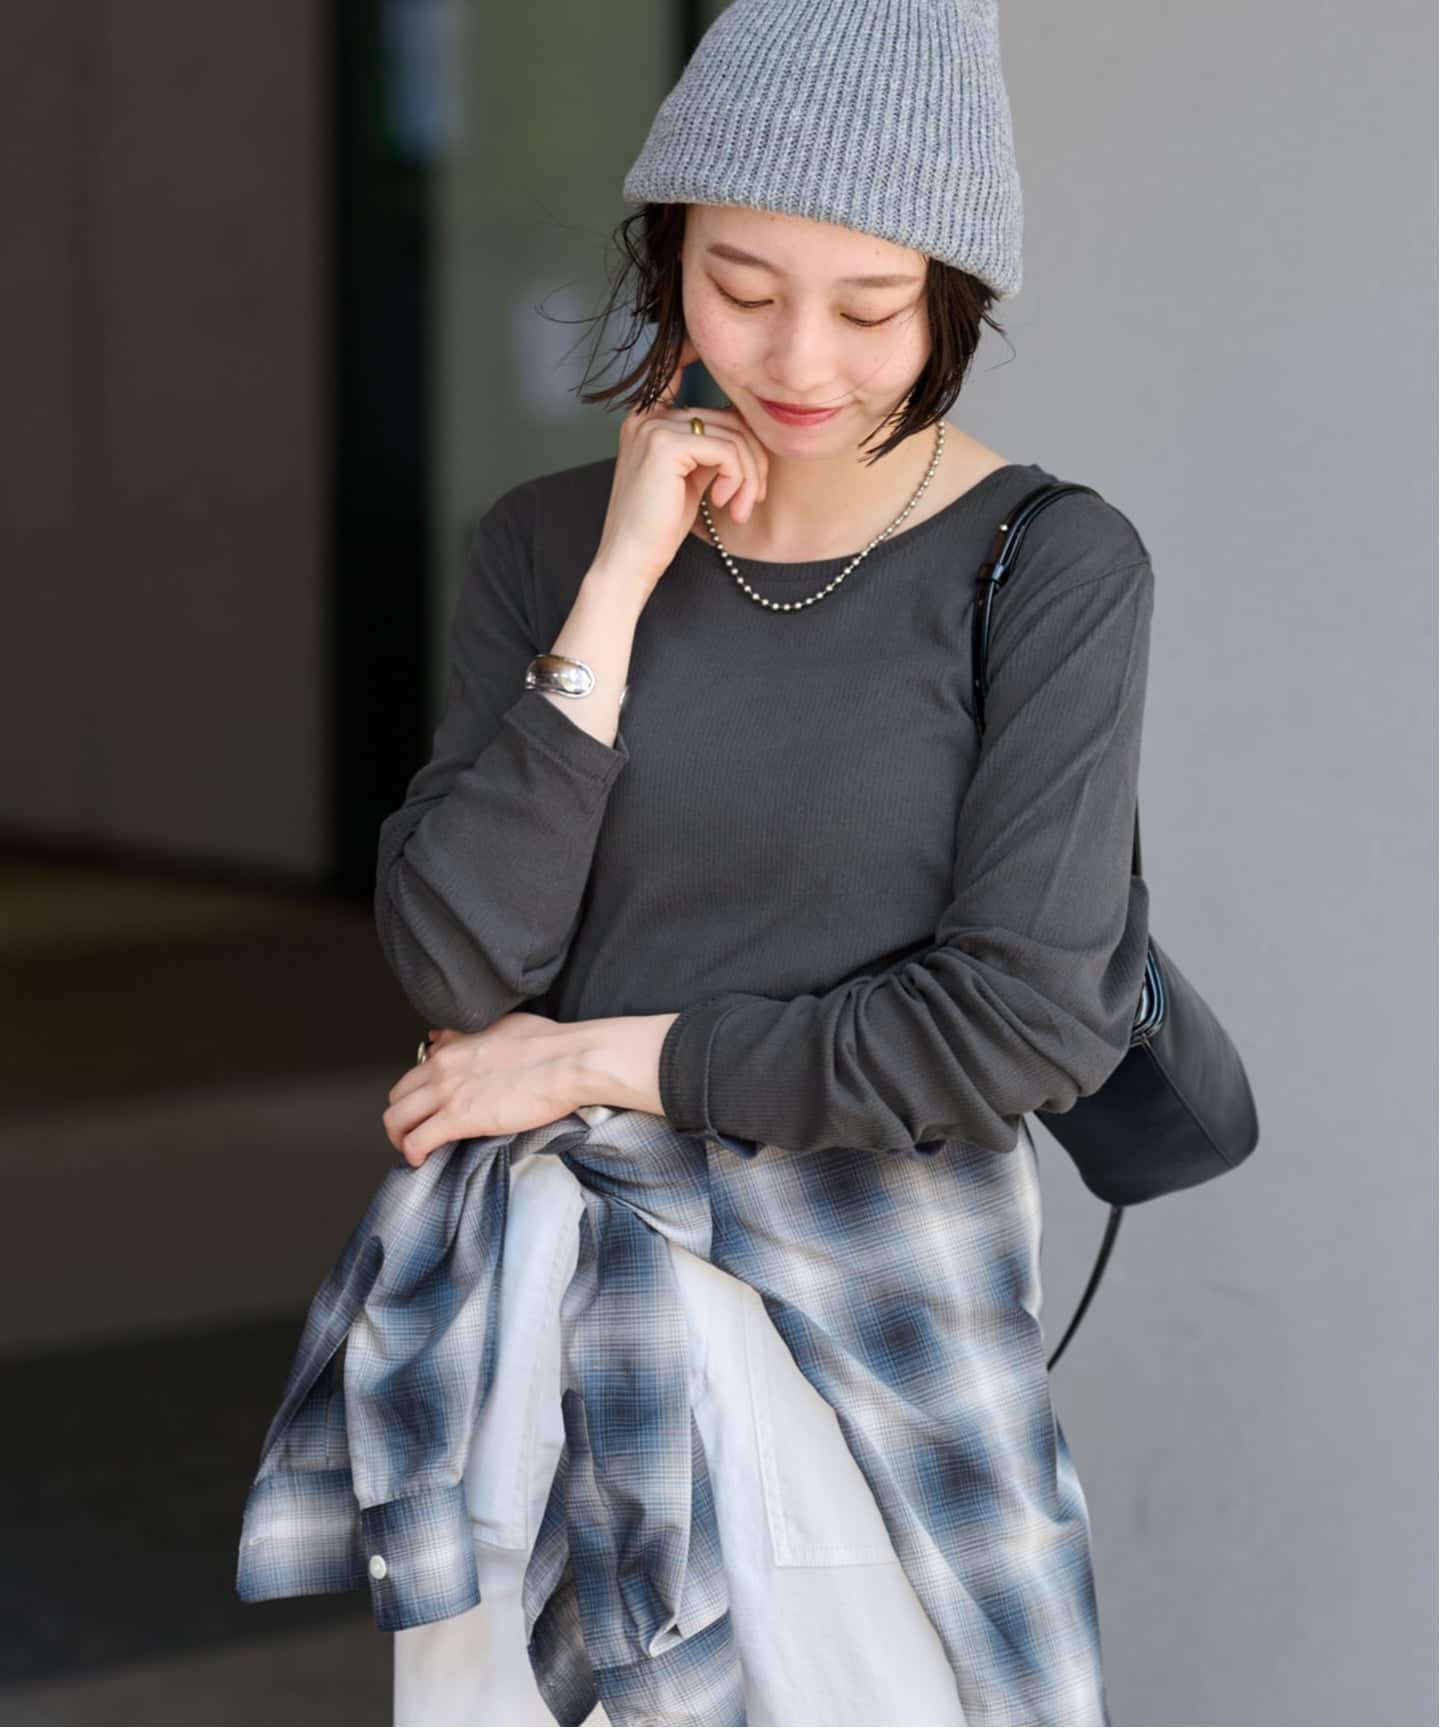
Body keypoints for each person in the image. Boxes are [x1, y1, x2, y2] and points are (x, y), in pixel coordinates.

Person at [376, 2, 1154, 1722]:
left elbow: (1016, 1020)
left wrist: (587, 1061)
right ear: (668, 260)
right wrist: (618, 584)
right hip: (538, 1332)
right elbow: (454, 962)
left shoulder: (1046, 566)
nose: (803, 358)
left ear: (953, 295)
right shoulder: (545, 543)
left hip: (873, 1324)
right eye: (739, 287)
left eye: (873, 307)